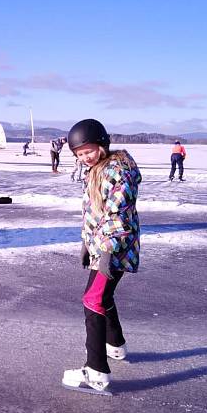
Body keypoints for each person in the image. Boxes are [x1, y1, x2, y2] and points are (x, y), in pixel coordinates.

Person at [61, 118, 141, 395]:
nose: (85, 158)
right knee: (102, 297)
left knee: (93, 300)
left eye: (89, 151)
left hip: (115, 248)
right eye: (79, 154)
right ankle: (116, 346)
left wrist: (105, 251)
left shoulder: (117, 171)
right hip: (105, 246)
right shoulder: (97, 170)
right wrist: (87, 244)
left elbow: (117, 213)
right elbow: (95, 213)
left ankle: (96, 370)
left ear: (102, 144)